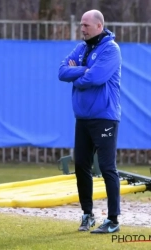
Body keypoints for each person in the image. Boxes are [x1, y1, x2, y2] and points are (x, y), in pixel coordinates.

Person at [58, 10, 122, 234]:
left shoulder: (111, 49)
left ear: (98, 26)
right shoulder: (81, 48)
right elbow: (62, 72)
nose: (82, 28)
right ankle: (87, 215)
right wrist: (84, 70)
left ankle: (113, 220)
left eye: (86, 25)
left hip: (104, 116)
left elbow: (97, 78)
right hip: (83, 118)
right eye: (81, 24)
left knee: (107, 167)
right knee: (81, 166)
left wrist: (79, 74)